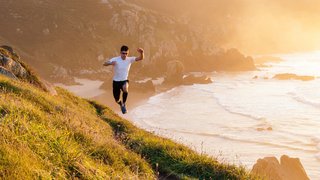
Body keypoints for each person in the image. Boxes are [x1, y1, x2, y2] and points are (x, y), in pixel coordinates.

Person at [103, 45, 144, 114]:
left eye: (126, 53)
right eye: (123, 53)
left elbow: (140, 58)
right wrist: (110, 63)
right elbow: (104, 64)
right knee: (117, 100)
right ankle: (121, 103)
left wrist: (142, 52)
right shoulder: (115, 59)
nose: (124, 55)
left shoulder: (130, 59)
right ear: (120, 53)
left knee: (125, 88)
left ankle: (124, 104)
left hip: (124, 80)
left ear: (128, 53)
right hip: (116, 82)